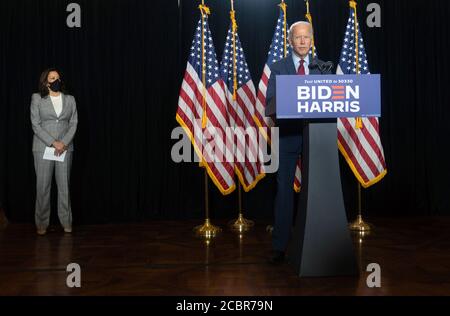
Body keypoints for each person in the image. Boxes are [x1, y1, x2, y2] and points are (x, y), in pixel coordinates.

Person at [265, 21, 332, 264]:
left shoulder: (322, 68)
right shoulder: (279, 68)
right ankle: (280, 246)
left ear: (312, 40)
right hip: (287, 135)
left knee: (317, 189)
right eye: (298, 38)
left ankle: (320, 241)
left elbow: (331, 101)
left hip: (316, 134)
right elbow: (270, 102)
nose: (303, 42)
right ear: (290, 41)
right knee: (284, 189)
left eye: (307, 37)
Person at [30, 68, 78, 235]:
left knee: (64, 186)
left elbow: (74, 123)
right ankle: (42, 224)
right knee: (43, 187)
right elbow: (35, 124)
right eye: (52, 78)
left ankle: (66, 222)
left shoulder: (70, 99)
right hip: (43, 148)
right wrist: (52, 142)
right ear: (45, 81)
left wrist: (63, 143)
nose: (56, 80)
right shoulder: (37, 98)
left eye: (58, 78)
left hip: (65, 148)